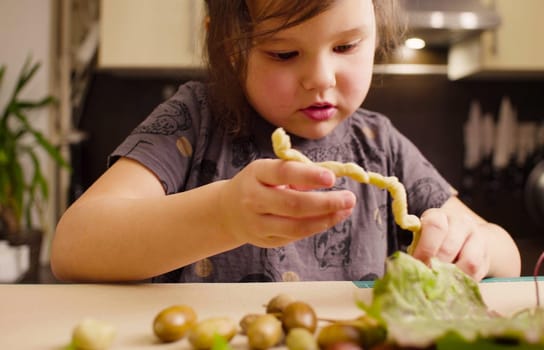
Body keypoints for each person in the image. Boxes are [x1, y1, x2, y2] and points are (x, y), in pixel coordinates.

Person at [51, 0, 521, 283]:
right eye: (284, 53)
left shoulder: (380, 144)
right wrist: (222, 216)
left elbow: (508, 256)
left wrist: (467, 246)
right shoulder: (194, 119)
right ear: (229, 46)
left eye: (346, 47)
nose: (320, 79)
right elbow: (74, 246)